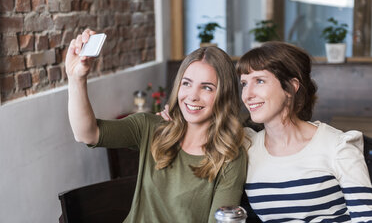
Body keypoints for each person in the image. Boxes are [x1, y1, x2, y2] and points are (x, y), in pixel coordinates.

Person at [65, 29, 248, 223]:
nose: (192, 96)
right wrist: (76, 78)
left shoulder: (229, 157)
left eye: (206, 87)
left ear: (224, 94)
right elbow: (87, 134)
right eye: (186, 84)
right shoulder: (151, 127)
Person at [237, 41, 372, 222]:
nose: (247, 94)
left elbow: (365, 219)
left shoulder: (337, 146)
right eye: (244, 84)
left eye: (259, 81)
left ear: (291, 87)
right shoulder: (247, 146)